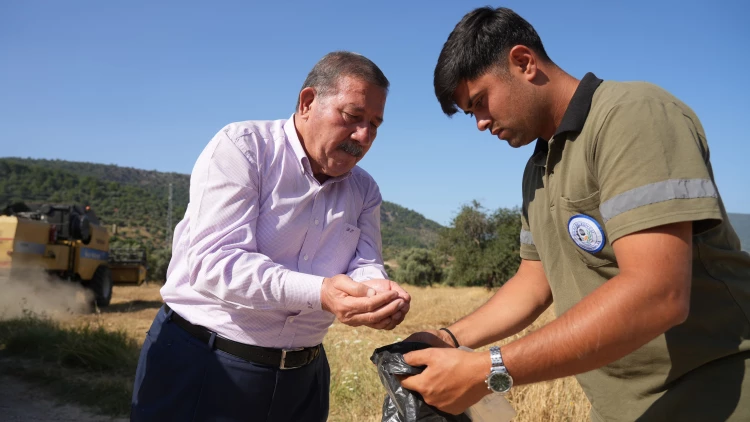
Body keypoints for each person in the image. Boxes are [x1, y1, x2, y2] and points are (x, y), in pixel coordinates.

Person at [399, 6, 750, 422]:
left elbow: (659, 294)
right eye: (471, 112)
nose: (480, 122)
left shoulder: (631, 116)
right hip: (622, 409)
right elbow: (534, 282)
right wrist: (448, 336)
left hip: (716, 392)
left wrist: (487, 370)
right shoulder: (537, 169)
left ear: (524, 62)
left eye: (479, 102)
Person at [131, 51, 411, 422]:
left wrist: (377, 292)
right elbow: (215, 262)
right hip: (205, 364)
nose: (363, 136)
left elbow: (365, 261)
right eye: (352, 116)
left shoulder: (365, 190)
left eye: (374, 124)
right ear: (307, 102)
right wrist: (322, 292)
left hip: (304, 380)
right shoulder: (244, 149)